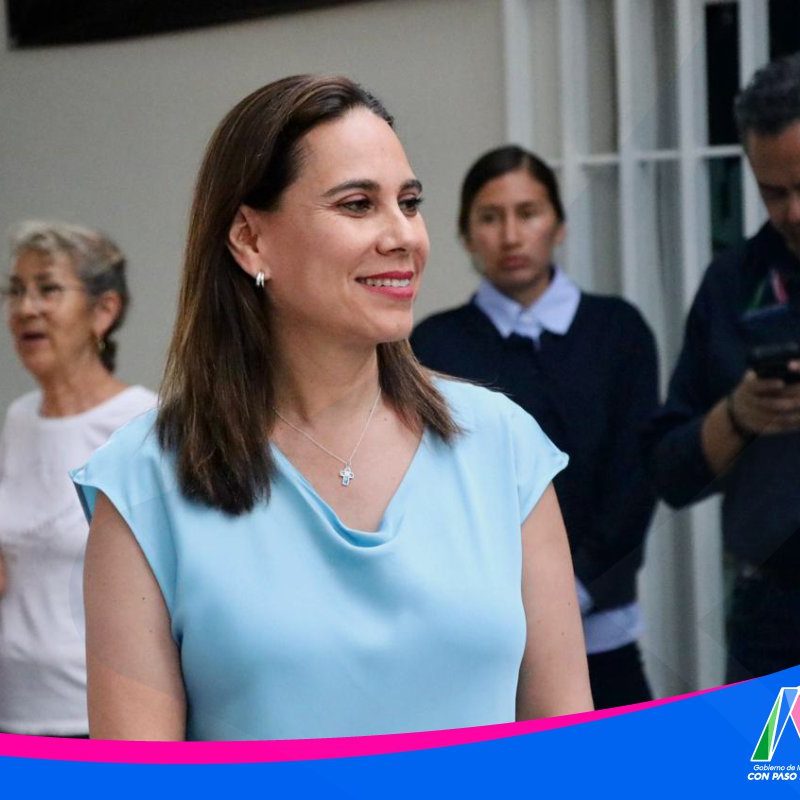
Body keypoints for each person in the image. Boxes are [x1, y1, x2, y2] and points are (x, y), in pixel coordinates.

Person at [72, 75, 592, 741]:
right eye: (357, 204)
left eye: (409, 202)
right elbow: (141, 780)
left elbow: (567, 749)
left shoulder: (503, 446)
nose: (403, 235)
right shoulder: (145, 481)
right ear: (250, 240)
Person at [411, 146, 659, 710]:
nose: (510, 235)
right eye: (490, 217)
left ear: (559, 225)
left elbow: (635, 478)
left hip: (603, 632)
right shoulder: (433, 344)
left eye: (528, 213)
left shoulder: (618, 330)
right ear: (465, 235)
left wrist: (569, 594)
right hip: (484, 638)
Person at [643, 54, 800, 683]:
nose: (793, 212)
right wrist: (737, 415)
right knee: (768, 755)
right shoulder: (733, 282)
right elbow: (669, 472)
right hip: (773, 615)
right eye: (773, 192)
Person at [0, 220, 156, 736]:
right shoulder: (19, 419)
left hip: (95, 716)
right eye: (16, 290)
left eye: (48, 289)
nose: (26, 308)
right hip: (14, 713)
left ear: (103, 311)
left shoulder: (145, 424)